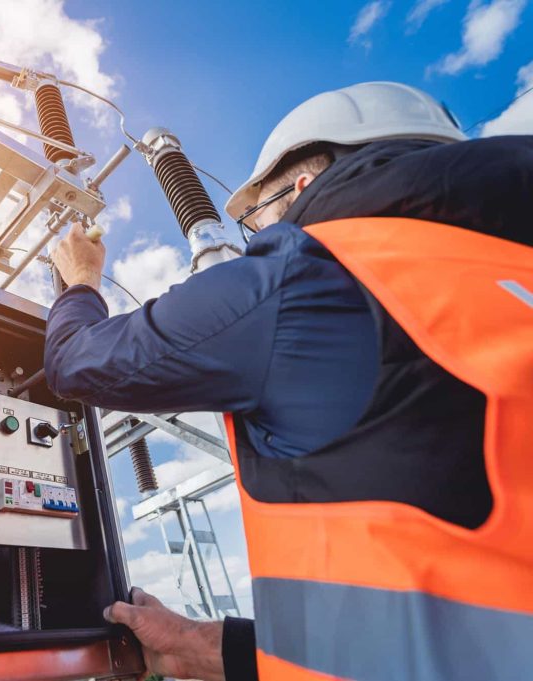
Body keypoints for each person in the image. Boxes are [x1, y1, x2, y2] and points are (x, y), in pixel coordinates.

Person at [45, 81, 533, 681]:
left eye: (255, 217)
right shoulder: (508, 268)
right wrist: (202, 646)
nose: (257, 237)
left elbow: (76, 361)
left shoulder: (307, 276)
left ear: (300, 187)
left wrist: (80, 284)